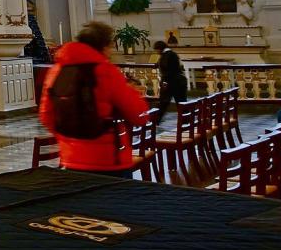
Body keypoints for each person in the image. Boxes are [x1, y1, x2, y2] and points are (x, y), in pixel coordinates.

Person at [39, 21, 149, 177]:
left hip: (71, 159)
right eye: (110, 46)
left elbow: (46, 116)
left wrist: (69, 138)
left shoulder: (56, 71)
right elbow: (139, 115)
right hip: (109, 160)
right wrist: (134, 93)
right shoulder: (106, 71)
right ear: (104, 46)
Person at [153, 39, 188, 124]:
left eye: (156, 50)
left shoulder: (167, 55)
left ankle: (156, 121)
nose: (156, 52)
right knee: (181, 103)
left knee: (164, 102)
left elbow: (167, 70)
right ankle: (186, 121)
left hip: (172, 82)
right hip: (179, 81)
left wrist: (164, 81)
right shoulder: (171, 54)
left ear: (159, 48)